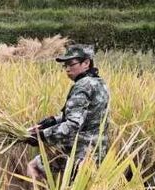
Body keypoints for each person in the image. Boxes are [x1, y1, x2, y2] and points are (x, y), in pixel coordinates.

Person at [25, 44, 110, 179]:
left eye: (71, 64)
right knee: (37, 165)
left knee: (34, 167)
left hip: (80, 153)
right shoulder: (99, 83)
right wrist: (50, 122)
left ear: (86, 63)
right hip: (97, 150)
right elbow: (84, 116)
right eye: (65, 65)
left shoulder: (83, 86)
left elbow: (73, 125)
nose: (67, 69)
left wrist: (42, 136)